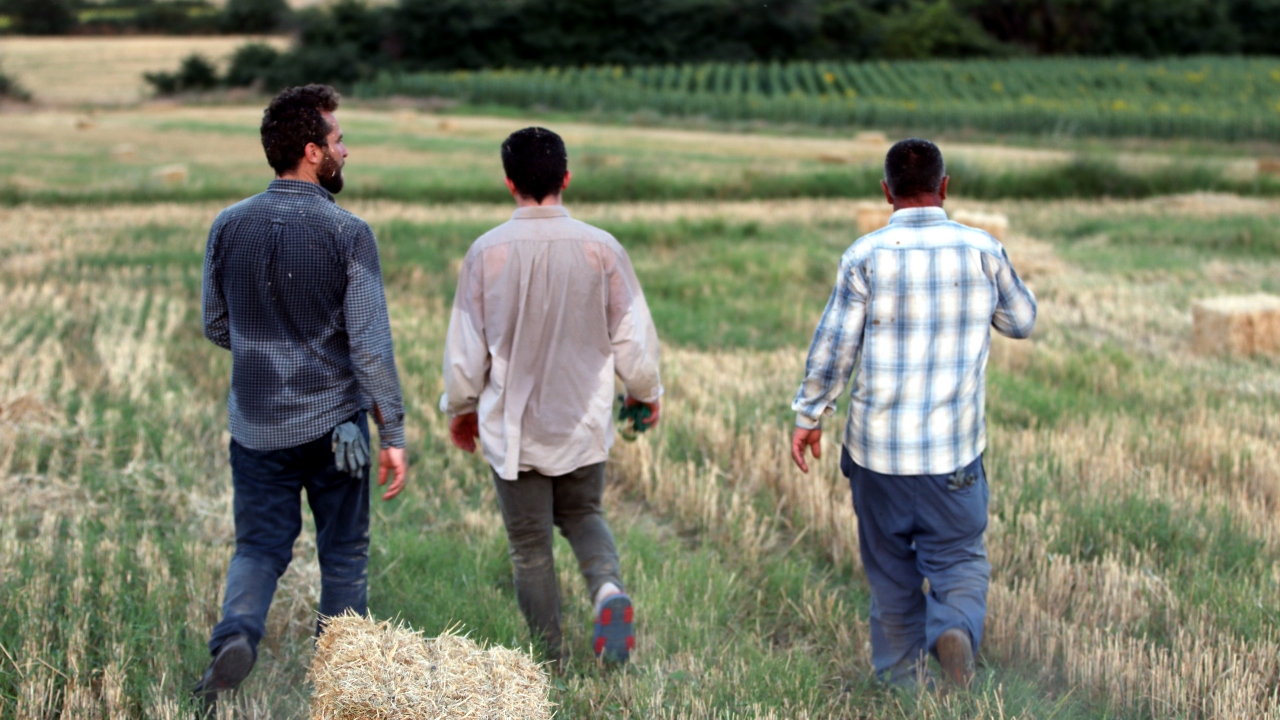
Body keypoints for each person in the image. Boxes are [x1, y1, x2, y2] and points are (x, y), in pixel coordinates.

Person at [789, 138, 1036, 689]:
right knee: (959, 561)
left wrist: (810, 415)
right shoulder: (982, 249)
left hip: (878, 456)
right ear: (945, 188)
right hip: (954, 454)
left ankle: (903, 684)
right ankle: (954, 629)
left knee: (891, 576)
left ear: (886, 193)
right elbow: (1022, 321)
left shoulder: (864, 256)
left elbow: (834, 350)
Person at [194, 84, 409, 708]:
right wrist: (391, 432)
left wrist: (270, 351)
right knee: (343, 551)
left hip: (257, 426)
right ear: (313, 152)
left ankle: (236, 636)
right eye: (340, 140)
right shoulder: (349, 233)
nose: (348, 150)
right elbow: (370, 347)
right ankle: (343, 683)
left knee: (259, 547)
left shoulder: (228, 225)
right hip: (339, 429)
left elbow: (214, 323)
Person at [440, 127, 662, 666]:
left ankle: (550, 660)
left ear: (509, 182)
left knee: (530, 548)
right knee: (585, 515)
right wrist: (645, 394)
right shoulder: (602, 248)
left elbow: (466, 355)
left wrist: (461, 409)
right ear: (566, 178)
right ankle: (608, 592)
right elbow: (634, 340)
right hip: (582, 422)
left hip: (515, 434)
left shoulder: (485, 252)